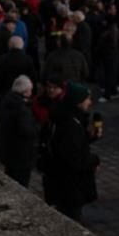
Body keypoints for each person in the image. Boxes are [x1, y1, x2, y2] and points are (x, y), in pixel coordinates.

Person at [41, 82, 100, 222]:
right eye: (87, 99)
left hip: (61, 180)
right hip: (70, 183)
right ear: (78, 102)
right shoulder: (70, 125)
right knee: (71, 215)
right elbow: (74, 158)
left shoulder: (67, 117)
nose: (90, 102)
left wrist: (90, 137)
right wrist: (94, 160)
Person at [0, 75, 39, 187]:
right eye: (30, 90)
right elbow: (28, 132)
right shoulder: (21, 109)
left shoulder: (6, 101)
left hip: (8, 150)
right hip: (21, 155)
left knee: (10, 179)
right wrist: (37, 128)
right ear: (25, 92)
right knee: (21, 183)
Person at [0, 35, 36, 100]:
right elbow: (32, 76)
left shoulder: (3, 58)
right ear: (22, 45)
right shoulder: (27, 59)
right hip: (23, 91)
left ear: (9, 45)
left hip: (6, 91)